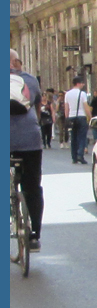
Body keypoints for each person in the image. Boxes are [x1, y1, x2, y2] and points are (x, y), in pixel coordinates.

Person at [10, 49, 44, 251]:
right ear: (15, 62)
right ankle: (34, 236)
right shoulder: (29, 80)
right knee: (32, 187)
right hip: (29, 141)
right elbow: (36, 105)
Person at [65, 74, 92, 165]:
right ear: (78, 84)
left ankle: (74, 157)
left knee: (73, 137)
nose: (83, 85)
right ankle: (80, 154)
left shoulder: (67, 94)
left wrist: (67, 118)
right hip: (81, 116)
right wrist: (90, 117)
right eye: (82, 83)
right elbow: (86, 106)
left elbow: (66, 108)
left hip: (71, 117)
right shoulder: (82, 94)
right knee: (82, 137)